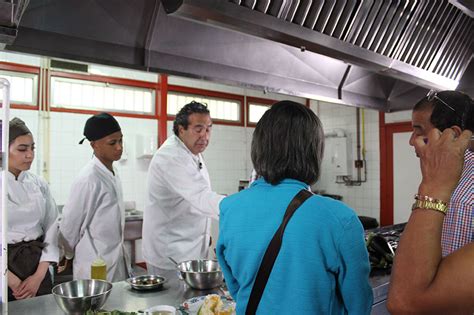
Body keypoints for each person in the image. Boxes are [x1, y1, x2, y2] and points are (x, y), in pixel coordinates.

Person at [216, 101, 373, 314]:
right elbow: (359, 305)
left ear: (259, 147)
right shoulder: (339, 218)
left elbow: (237, 288)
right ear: (314, 152)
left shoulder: (229, 208)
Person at [387, 128, 473, 314]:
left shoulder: (462, 197)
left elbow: (405, 300)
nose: (412, 141)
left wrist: (434, 186)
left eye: (420, 131)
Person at [142, 101, 224, 274]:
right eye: (198, 129)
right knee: (171, 301)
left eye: (208, 129)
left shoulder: (193, 153)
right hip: (171, 255)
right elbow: (201, 197)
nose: (205, 136)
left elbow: (199, 196)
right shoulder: (171, 156)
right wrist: (243, 209)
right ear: (181, 129)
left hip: (190, 250)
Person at [59, 112, 128, 282]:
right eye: (112, 143)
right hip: (94, 264)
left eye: (120, 140)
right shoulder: (89, 179)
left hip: (115, 260)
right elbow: (70, 225)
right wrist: (66, 254)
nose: (119, 147)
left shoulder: (112, 173)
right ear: (94, 145)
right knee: (95, 307)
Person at [408, 90, 473, 256]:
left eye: (419, 131)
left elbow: (446, 278)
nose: (411, 141)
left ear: (453, 135)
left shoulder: (459, 200)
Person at [6, 117, 59, 300]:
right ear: (4, 150)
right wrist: (10, 280)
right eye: (22, 149)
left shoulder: (38, 183)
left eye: (32, 148)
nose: (30, 154)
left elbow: (52, 227)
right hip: (5, 267)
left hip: (37, 264)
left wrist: (38, 276)